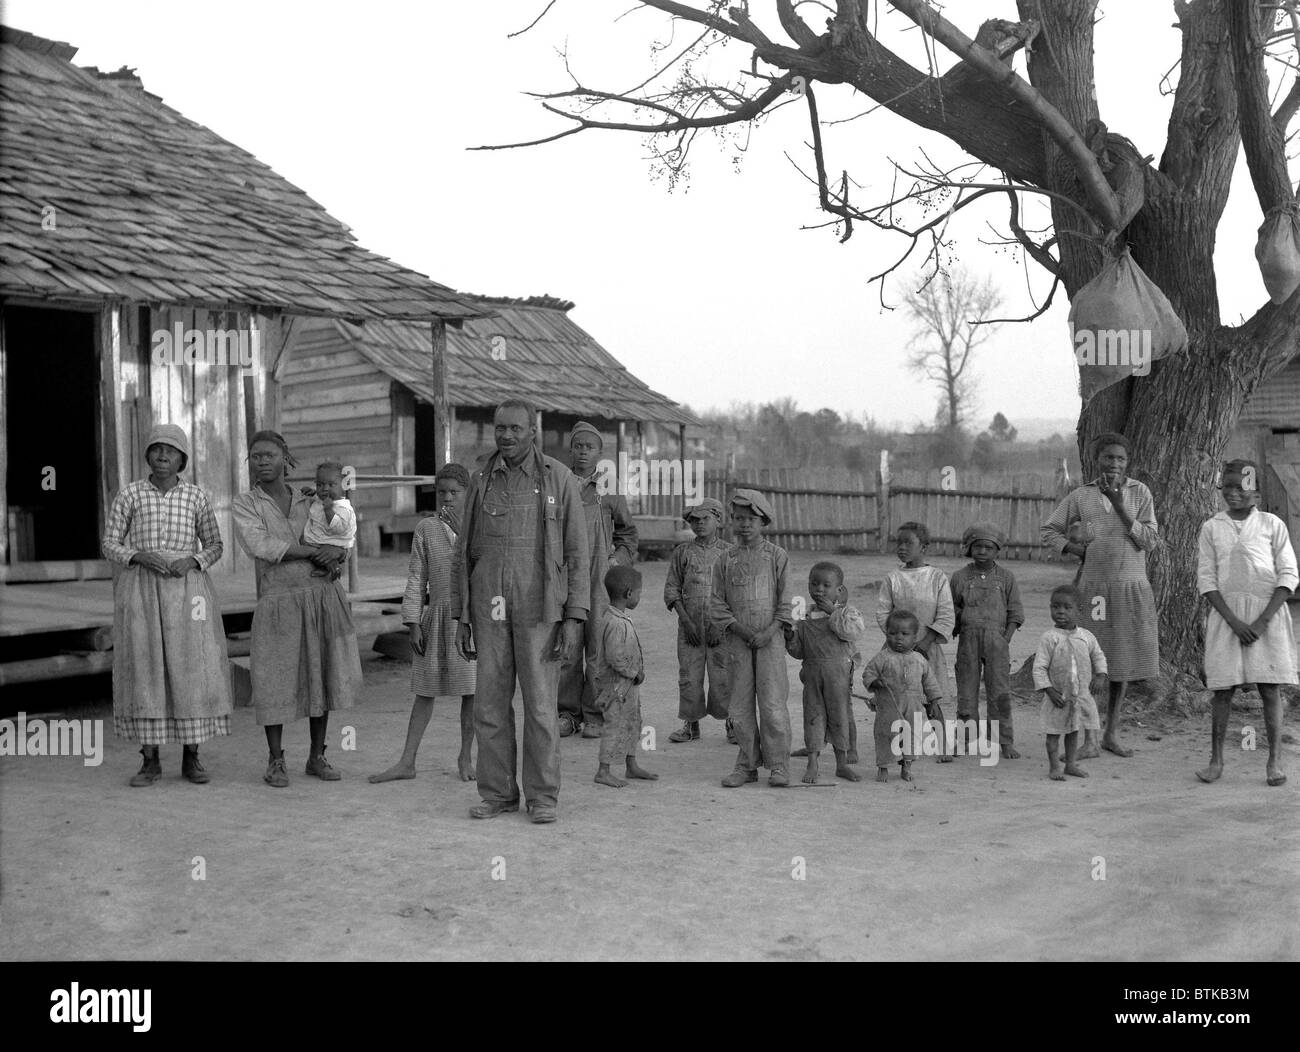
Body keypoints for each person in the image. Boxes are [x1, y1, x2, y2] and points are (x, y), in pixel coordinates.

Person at [452, 399, 589, 824]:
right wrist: (462, 616)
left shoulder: (559, 479)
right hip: (489, 607)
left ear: (533, 430)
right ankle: (497, 794)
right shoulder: (481, 479)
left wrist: (573, 617)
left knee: (542, 706)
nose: (506, 436)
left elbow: (577, 553)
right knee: (489, 705)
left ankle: (543, 796)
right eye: (500, 428)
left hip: (540, 611)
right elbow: (463, 552)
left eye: (515, 428)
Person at [102, 424, 232, 786]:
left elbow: (215, 544)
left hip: (188, 592)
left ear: (182, 459)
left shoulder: (196, 497)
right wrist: (138, 555)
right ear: (147, 456)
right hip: (142, 589)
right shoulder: (130, 495)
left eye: (171, 451)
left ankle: (192, 758)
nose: (163, 456)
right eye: (157, 449)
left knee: (190, 666)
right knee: (146, 667)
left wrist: (192, 561)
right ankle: (150, 760)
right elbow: (110, 543)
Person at [232, 430, 359, 787]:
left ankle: (317, 756)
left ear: (285, 457)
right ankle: (275, 760)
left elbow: (340, 533)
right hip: (277, 599)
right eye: (255, 456)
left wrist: (340, 553)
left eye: (269, 454)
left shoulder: (310, 498)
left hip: (320, 594)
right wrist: (313, 551)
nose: (262, 461)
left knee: (323, 673)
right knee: (274, 677)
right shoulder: (246, 504)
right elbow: (261, 544)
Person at [1042, 432, 1159, 758]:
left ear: (1128, 462)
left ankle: (1111, 733)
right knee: (1087, 662)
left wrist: (1121, 507)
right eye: (1108, 457)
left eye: (1121, 459)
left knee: (1120, 663)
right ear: (1097, 460)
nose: (1115, 464)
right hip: (1094, 591)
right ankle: (1089, 738)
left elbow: (1149, 540)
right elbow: (1049, 529)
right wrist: (1075, 549)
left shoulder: (1140, 493)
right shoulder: (1082, 496)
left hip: (1130, 589)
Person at [370, 463, 476, 784]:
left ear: (468, 494)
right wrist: (413, 621)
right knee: (424, 691)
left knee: (471, 692)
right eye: (441, 492)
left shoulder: (477, 528)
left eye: (455, 493)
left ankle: (465, 758)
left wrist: (465, 534)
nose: (447, 498)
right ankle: (407, 761)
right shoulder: (426, 529)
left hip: (468, 620)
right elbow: (417, 577)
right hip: (436, 618)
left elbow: (481, 569)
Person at [1195, 460, 1296, 787]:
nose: (1234, 492)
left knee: (1270, 689)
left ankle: (1274, 760)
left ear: (1256, 490)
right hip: (1228, 618)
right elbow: (1207, 580)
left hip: (1268, 616)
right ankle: (1216, 760)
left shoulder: (1271, 524)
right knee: (1223, 690)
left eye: (1242, 486)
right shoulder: (1212, 527)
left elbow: (1288, 574)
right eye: (1228, 486)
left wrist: (1263, 620)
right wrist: (1235, 622)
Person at [558, 420, 638, 739]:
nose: (582, 452)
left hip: (600, 580)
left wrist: (616, 559)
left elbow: (628, 532)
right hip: (565, 575)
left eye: (589, 447)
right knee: (567, 644)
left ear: (600, 453)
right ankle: (567, 713)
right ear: (571, 449)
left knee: (598, 647)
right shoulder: (559, 484)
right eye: (578, 446)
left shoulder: (609, 490)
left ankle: (594, 714)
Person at [711, 489, 793, 788]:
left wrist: (769, 632)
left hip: (770, 642)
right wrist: (742, 631)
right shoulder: (725, 559)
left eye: (751, 519)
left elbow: (786, 604)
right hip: (738, 642)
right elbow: (717, 603)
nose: (745, 525)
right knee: (740, 707)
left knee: (772, 705)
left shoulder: (777, 556)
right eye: (739, 519)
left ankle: (779, 765)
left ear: (764, 521)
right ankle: (746, 764)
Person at [876, 521, 955, 762]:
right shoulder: (893, 579)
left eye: (908, 543)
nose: (901, 548)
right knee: (898, 699)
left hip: (927, 649)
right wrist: (897, 638)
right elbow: (882, 612)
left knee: (932, 697)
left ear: (924, 547)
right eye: (898, 543)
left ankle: (943, 745)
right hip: (897, 650)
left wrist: (925, 641)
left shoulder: (937, 578)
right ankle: (903, 748)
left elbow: (946, 613)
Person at [784, 561, 865, 783]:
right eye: (814, 584)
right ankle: (813, 763)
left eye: (826, 585)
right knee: (813, 717)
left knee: (839, 717)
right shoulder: (805, 616)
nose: (819, 589)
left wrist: (832, 613)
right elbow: (799, 652)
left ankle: (841, 764)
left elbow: (853, 633)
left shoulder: (847, 613)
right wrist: (790, 638)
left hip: (838, 678)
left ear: (839, 590)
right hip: (812, 676)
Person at [950, 521, 1024, 759]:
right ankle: (964, 741)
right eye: (978, 546)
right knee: (966, 693)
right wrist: (956, 626)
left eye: (988, 547)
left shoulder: (1006, 578)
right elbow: (951, 609)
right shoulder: (959, 577)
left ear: (997, 550)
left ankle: (1004, 742)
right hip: (968, 642)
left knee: (999, 693)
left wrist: (1006, 639)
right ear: (970, 548)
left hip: (997, 643)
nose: (982, 551)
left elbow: (1015, 612)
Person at [665, 498, 733, 743]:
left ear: (718, 520)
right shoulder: (682, 552)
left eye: (706, 519)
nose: (700, 524)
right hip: (690, 629)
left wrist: (719, 624)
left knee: (723, 676)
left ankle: (732, 723)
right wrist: (686, 622)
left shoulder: (729, 553)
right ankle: (690, 725)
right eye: (695, 520)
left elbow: (734, 595)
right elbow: (672, 590)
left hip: (721, 630)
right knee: (689, 677)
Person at [1033, 584, 1107, 781]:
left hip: (1080, 695)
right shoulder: (1049, 638)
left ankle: (1071, 764)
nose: (1061, 612)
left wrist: (1100, 675)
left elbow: (1098, 656)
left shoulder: (1086, 636)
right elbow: (1039, 667)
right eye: (1055, 607)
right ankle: (1054, 766)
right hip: (1057, 697)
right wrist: (1049, 690)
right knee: (1053, 734)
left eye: (1067, 607)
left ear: (1079, 611)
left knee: (1073, 731)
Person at [593, 565, 658, 787]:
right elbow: (615, 657)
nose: (639, 596)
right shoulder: (615, 623)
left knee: (633, 721)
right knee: (614, 724)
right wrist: (634, 673)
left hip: (627, 686)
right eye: (639, 592)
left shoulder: (619, 618)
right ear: (629, 593)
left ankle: (631, 764)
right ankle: (604, 770)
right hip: (617, 686)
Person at [860, 609, 943, 782]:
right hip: (889, 705)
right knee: (885, 735)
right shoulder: (882, 657)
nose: (898, 638)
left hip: (913, 706)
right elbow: (868, 673)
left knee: (911, 736)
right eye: (892, 633)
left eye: (905, 634)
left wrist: (934, 702)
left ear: (914, 637)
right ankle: (883, 767)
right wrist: (875, 683)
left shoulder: (920, 659)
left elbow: (930, 683)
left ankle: (907, 766)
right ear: (886, 634)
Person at [302, 460, 356, 576]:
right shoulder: (323, 499)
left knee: (315, 553)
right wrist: (312, 493)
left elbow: (339, 528)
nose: (325, 489)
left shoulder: (343, 508)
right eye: (319, 485)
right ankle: (328, 566)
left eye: (331, 485)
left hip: (333, 543)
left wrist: (329, 511)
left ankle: (332, 566)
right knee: (308, 549)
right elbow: (317, 499)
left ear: (343, 487)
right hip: (322, 540)